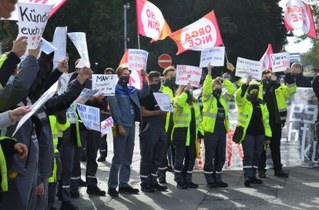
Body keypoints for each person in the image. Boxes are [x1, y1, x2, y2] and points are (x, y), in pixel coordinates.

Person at [107, 65, 149, 197]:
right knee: (118, 157)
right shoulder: (113, 89)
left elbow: (144, 93)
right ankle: (112, 186)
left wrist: (144, 78)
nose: (127, 76)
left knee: (128, 157)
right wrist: (119, 125)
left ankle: (124, 184)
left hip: (131, 125)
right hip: (119, 126)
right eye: (124, 74)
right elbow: (114, 109)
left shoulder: (131, 89)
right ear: (119, 75)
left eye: (128, 74)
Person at [202, 64, 236, 188]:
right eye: (216, 86)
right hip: (210, 131)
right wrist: (209, 73)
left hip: (221, 131)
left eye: (219, 86)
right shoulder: (208, 98)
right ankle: (209, 179)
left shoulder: (223, 99)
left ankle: (218, 178)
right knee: (210, 156)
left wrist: (224, 80)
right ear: (212, 88)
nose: (218, 88)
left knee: (221, 156)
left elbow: (232, 90)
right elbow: (205, 89)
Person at [258, 69, 296, 178]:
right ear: (261, 77)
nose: (267, 79)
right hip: (262, 123)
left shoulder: (279, 87)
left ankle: (278, 169)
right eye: (265, 76)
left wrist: (288, 75)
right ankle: (261, 170)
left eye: (269, 76)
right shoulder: (258, 87)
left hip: (276, 122)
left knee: (275, 147)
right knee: (262, 147)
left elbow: (292, 90)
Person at [235, 80, 272, 187]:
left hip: (260, 133)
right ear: (249, 91)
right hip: (248, 133)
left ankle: (253, 176)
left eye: (256, 90)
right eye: (253, 90)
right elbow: (238, 96)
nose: (255, 92)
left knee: (257, 155)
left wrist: (268, 135)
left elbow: (266, 121)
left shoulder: (262, 104)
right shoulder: (243, 102)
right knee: (249, 154)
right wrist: (245, 84)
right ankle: (247, 176)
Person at [139, 71, 167, 192]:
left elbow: (166, 110)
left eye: (159, 81)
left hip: (160, 126)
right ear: (149, 81)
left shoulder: (162, 94)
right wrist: (158, 112)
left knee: (158, 156)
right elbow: (142, 112)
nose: (157, 83)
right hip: (148, 127)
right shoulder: (146, 94)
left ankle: (153, 181)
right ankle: (145, 182)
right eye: (155, 81)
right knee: (147, 156)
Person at [172, 84, 204, 189]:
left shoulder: (194, 103)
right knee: (179, 159)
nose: (190, 90)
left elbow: (198, 119)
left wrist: (200, 131)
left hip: (192, 134)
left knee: (191, 158)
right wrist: (185, 93)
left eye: (190, 89)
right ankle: (179, 180)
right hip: (181, 133)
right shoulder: (176, 100)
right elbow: (180, 104)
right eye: (186, 88)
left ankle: (188, 179)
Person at [158, 66, 176, 184]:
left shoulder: (179, 89)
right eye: (170, 76)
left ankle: (177, 174)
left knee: (176, 151)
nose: (173, 79)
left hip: (177, 124)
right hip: (165, 124)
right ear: (165, 77)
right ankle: (161, 175)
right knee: (162, 151)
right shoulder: (161, 88)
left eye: (174, 76)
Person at [97, 67, 115, 162]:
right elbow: (96, 101)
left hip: (115, 116)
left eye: (111, 74)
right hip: (104, 115)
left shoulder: (117, 87)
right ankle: (102, 155)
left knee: (116, 136)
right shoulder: (101, 88)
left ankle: (117, 155)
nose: (109, 76)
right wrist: (100, 108)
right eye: (107, 74)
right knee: (102, 136)